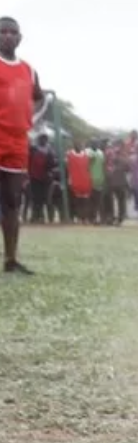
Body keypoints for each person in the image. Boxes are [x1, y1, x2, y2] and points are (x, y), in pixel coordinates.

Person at [0, 16, 44, 274]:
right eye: (2, 32)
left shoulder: (29, 70)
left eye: (11, 32)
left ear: (19, 37)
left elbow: (37, 96)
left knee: (12, 202)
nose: (7, 36)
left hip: (17, 143)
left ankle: (11, 259)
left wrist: (31, 117)